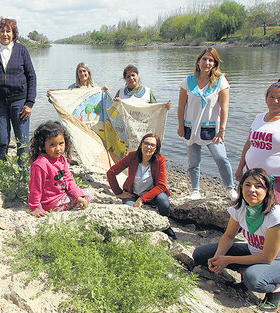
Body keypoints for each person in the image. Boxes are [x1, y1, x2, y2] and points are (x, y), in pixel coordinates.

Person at [192, 168, 280, 312]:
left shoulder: (275, 216)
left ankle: (275, 291)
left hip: (275, 260)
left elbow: (267, 258)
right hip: (254, 253)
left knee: (253, 278)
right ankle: (246, 270)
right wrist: (218, 257)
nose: (252, 190)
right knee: (201, 255)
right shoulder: (241, 208)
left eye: (258, 186)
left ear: (267, 190)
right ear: (241, 187)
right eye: (248, 185)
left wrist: (229, 260)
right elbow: (228, 236)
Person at [177, 47, 237, 201]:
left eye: (211, 60)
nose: (207, 62)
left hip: (212, 129)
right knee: (193, 162)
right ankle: (195, 190)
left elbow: (224, 107)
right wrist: (180, 125)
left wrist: (222, 129)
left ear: (215, 64)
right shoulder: (188, 81)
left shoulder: (220, 81)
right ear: (198, 61)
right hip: (191, 126)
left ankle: (230, 188)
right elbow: (181, 106)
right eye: (204, 59)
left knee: (221, 158)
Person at [0, 17, 36, 168]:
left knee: (22, 141)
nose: (5, 34)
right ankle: (1, 175)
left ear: (14, 33)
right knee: (2, 140)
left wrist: (29, 103)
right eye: (2, 31)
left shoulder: (22, 50)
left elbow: (31, 76)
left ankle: (23, 176)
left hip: (19, 102)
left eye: (8, 31)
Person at [106, 133, 176, 240]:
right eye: (146, 143)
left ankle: (165, 226)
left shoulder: (160, 160)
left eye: (152, 145)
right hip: (132, 194)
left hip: (152, 195)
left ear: (156, 148)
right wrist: (119, 192)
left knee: (164, 200)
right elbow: (111, 173)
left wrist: (142, 199)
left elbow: (162, 186)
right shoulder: (132, 156)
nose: (148, 147)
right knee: (132, 211)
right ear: (141, 144)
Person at [28, 121, 94, 217]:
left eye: (61, 143)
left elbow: (68, 179)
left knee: (89, 193)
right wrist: (36, 208)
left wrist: (78, 196)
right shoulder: (40, 164)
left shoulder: (61, 159)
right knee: (88, 195)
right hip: (50, 202)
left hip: (62, 194)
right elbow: (35, 188)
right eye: (52, 145)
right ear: (42, 146)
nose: (58, 148)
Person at [235, 82, 280, 200]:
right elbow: (249, 144)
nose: (275, 101)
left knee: (272, 211)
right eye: (272, 97)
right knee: (250, 208)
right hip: (252, 175)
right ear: (266, 99)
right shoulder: (259, 118)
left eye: (279, 98)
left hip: (275, 178)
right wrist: (240, 168)